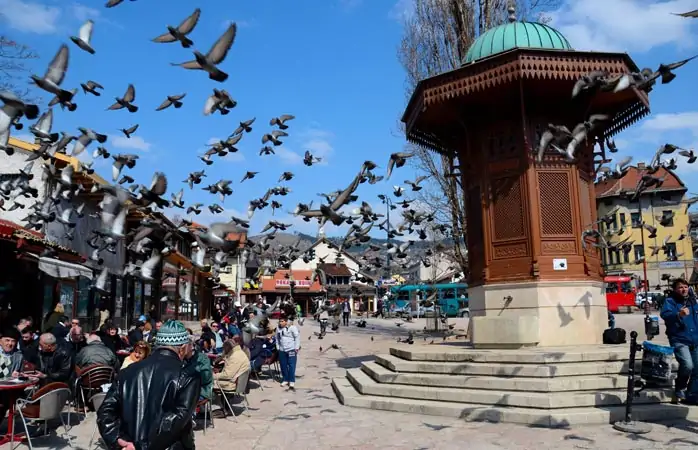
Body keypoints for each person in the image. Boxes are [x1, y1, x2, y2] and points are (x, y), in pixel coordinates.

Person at [97, 320, 200, 450]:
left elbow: (105, 411)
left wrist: (117, 440)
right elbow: (175, 422)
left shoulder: (127, 372)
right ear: (183, 348)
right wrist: (139, 446)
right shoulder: (188, 376)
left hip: (130, 443)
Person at [661, 278, 698, 403]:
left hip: (695, 339)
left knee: (697, 369)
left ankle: (692, 395)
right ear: (675, 289)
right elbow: (665, 315)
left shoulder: (693, 302)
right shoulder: (670, 301)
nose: (684, 289)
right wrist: (678, 314)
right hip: (679, 338)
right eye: (680, 287)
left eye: (686, 287)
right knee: (687, 365)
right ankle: (680, 386)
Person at [183, 329, 214, 404]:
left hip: (202, 391)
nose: (181, 347)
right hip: (185, 390)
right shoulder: (180, 358)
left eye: (184, 345)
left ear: (191, 346)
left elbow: (206, 378)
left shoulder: (202, 358)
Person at [276, 316, 300, 389]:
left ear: (286, 322)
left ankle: (291, 380)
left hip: (291, 349)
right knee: (283, 365)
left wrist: (296, 347)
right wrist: (278, 347)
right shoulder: (278, 328)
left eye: (282, 321)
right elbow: (277, 338)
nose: (281, 323)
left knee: (291, 365)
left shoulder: (292, 327)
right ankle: (285, 379)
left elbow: (297, 337)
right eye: (280, 321)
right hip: (282, 349)